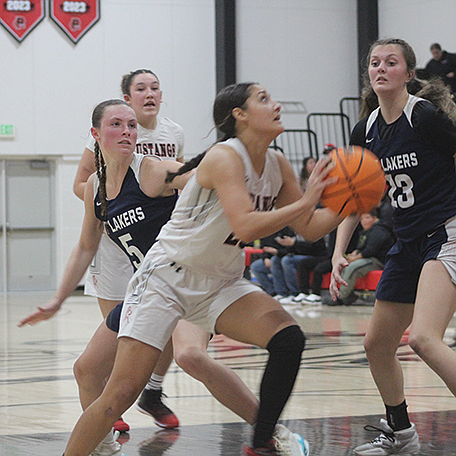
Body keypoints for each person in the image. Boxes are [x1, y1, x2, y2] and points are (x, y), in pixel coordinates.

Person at [61, 82, 344, 456]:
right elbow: (245, 226)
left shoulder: (276, 164)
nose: (276, 104)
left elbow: (309, 227)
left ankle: (265, 440)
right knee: (119, 394)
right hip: (165, 278)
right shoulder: (225, 157)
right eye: (264, 99)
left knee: (288, 338)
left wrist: (351, 202)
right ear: (239, 116)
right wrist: (308, 200)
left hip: (220, 281)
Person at [20, 99, 263, 456]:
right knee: (86, 370)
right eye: (116, 124)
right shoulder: (95, 188)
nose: (127, 132)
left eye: (132, 125)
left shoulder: (150, 170)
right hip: (147, 290)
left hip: (186, 282)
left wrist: (236, 172)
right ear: (96, 134)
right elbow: (86, 246)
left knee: (191, 357)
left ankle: (270, 431)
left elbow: (202, 174)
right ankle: (103, 447)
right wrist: (58, 298)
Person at [330, 38, 456, 456]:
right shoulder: (363, 129)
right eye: (374, 63)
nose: (381, 68)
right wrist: (337, 252)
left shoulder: (424, 116)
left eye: (391, 62)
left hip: (445, 231)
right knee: (376, 344)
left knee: (423, 338)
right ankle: (401, 433)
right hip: (407, 240)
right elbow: (356, 198)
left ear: (408, 72)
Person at [73, 69, 184, 432]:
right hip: (115, 240)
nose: (149, 93)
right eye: (141, 88)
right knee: (121, 335)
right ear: (127, 96)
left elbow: (186, 182)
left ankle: (150, 391)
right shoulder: (109, 130)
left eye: (155, 87)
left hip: (159, 250)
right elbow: (83, 185)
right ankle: (112, 400)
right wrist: (110, 205)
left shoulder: (171, 134)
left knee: (165, 329)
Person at [336, 209, 394, 306]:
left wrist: (355, 258)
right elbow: (363, 247)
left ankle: (341, 296)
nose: (363, 221)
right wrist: (355, 253)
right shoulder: (366, 231)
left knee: (352, 267)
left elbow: (370, 251)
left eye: (367, 218)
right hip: (369, 259)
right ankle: (348, 295)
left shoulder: (379, 231)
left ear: (374, 218)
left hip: (379, 261)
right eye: (362, 218)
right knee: (347, 265)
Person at [249, 226, 295, 297]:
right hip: (271, 256)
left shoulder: (286, 229)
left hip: (283, 256)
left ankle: (282, 292)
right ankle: (271, 292)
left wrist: (277, 252)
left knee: (276, 261)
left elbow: (291, 249)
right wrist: (265, 258)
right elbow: (263, 247)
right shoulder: (265, 230)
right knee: (255, 267)